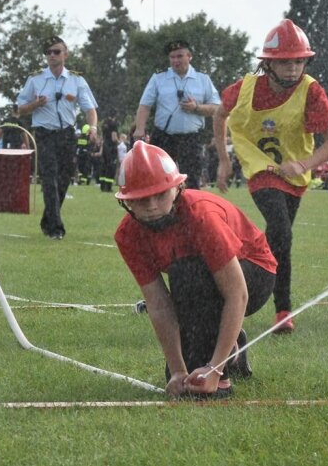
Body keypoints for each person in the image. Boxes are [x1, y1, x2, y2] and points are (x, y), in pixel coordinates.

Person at [114, 141, 276, 399]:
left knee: (187, 275)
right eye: (142, 200)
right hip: (203, 278)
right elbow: (158, 304)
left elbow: (237, 294)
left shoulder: (200, 217)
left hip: (255, 271)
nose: (153, 206)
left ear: (177, 188)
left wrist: (213, 370)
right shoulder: (128, 235)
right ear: (127, 203)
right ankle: (233, 349)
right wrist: (178, 369)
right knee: (182, 377)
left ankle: (222, 379)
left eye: (160, 195)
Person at [213, 19, 328, 334]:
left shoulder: (312, 91)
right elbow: (220, 114)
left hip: (295, 179)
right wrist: (224, 160)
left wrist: (303, 164)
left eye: (299, 61)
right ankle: (263, 302)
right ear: (268, 64)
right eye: (285, 62)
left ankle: (257, 283)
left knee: (279, 242)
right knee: (282, 234)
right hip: (260, 170)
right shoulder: (245, 86)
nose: (294, 69)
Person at [17, 36, 98, 240]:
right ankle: (56, 228)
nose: (52, 55)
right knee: (49, 178)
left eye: (56, 51)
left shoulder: (76, 80)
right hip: (44, 133)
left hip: (67, 134)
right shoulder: (35, 79)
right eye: (49, 52)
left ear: (65, 54)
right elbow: (19, 109)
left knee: (63, 179)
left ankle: (48, 219)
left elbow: (90, 108)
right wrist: (35, 104)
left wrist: (94, 127)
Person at [132, 40, 221, 190]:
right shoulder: (158, 78)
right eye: (172, 57)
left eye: (179, 56)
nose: (175, 61)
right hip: (164, 136)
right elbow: (145, 105)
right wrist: (140, 128)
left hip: (191, 138)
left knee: (192, 180)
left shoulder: (202, 79)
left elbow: (217, 108)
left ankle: (190, 211)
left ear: (189, 56)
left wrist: (197, 108)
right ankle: (162, 212)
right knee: (159, 179)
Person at [99, 117, 119, 193]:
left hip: (105, 146)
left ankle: (102, 186)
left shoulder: (104, 124)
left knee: (104, 166)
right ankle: (108, 187)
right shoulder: (113, 124)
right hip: (111, 148)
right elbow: (114, 138)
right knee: (111, 166)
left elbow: (103, 137)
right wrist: (119, 141)